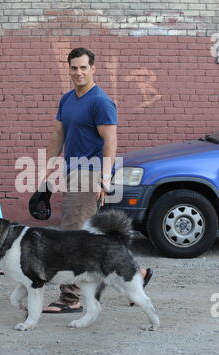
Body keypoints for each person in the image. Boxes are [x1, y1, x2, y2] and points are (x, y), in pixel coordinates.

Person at [41, 47, 153, 313]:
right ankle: (136, 275)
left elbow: (110, 141)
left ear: (93, 69)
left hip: (88, 174)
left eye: (83, 67)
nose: (78, 72)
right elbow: (58, 134)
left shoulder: (100, 101)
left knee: (72, 235)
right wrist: (48, 167)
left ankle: (71, 297)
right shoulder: (67, 99)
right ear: (68, 69)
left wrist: (104, 178)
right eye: (73, 67)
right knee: (93, 238)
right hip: (72, 171)